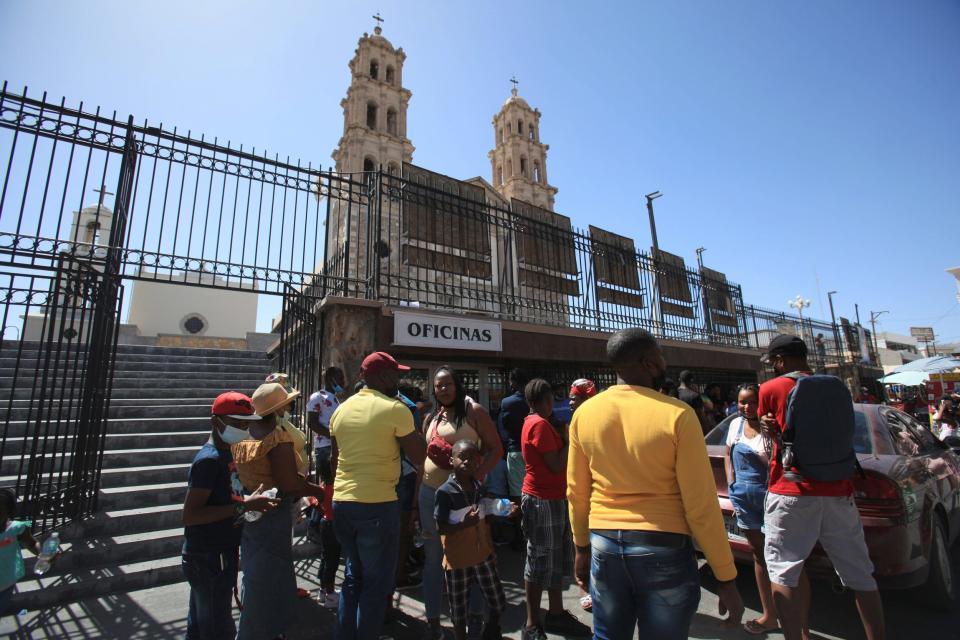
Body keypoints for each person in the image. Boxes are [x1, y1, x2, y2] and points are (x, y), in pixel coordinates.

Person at [567, 328, 743, 639]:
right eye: (660, 355)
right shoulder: (678, 415)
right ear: (648, 362)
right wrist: (725, 577)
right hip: (663, 547)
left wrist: (581, 547)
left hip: (604, 543)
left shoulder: (585, 414)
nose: (664, 361)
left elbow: (577, 492)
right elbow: (700, 504)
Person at [758, 334, 885, 640]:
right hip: (838, 490)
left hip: (791, 491)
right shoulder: (835, 387)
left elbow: (772, 442)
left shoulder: (771, 388)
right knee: (860, 575)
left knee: (784, 572)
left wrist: (769, 428)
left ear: (779, 361)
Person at [329, 351, 426, 640]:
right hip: (377, 505)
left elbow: (335, 462)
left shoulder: (340, 409)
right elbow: (420, 455)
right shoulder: (395, 408)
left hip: (343, 504)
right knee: (375, 584)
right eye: (396, 374)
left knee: (352, 578)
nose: (398, 379)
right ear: (383, 377)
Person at [232, 383, 326, 640]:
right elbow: (289, 483)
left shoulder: (244, 436)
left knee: (259, 572)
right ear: (278, 407)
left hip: (253, 507)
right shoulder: (276, 438)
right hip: (273, 511)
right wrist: (318, 491)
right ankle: (261, 631)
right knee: (267, 575)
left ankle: (269, 627)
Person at [181, 391, 278, 640]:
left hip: (220, 551)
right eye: (237, 423)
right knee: (216, 626)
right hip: (208, 556)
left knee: (203, 622)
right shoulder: (209, 461)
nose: (244, 428)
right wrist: (243, 506)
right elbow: (191, 515)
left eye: (247, 423)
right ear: (216, 422)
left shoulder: (227, 453)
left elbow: (223, 498)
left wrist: (245, 500)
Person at [420, 366, 504, 640]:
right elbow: (424, 462)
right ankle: (433, 620)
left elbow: (495, 448)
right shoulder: (431, 418)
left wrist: (477, 477)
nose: (443, 389)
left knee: (473, 557)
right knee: (433, 559)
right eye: (438, 385)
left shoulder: (474, 412)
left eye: (447, 384)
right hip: (431, 494)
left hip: (466, 498)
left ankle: (475, 619)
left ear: (457, 385)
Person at [521, 378, 590, 640]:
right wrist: (570, 438)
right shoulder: (538, 424)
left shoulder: (540, 423)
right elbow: (555, 464)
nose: (552, 404)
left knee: (556, 562)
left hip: (553, 499)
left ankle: (557, 613)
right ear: (537, 402)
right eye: (548, 400)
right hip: (542, 501)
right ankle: (531, 624)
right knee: (539, 561)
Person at [435, 440, 513, 640]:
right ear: (452, 460)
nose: (467, 461)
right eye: (462, 456)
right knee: (459, 609)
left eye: (472, 457)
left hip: (482, 554)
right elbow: (440, 527)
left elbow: (484, 514)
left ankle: (491, 630)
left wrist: (503, 510)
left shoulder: (478, 486)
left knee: (497, 599)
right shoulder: (445, 492)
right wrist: (465, 524)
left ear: (478, 462)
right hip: (457, 559)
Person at [723, 384, 779, 635]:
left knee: (778, 556)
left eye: (752, 401)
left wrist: (775, 434)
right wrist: (731, 482)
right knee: (759, 554)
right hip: (744, 500)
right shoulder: (735, 425)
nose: (746, 407)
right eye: (742, 402)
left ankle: (790, 615)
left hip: (772, 498)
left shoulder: (772, 426)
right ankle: (770, 614)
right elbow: (727, 453)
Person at [567, 379, 598, 614]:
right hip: (579, 496)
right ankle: (588, 590)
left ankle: (591, 590)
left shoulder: (595, 422)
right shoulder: (574, 422)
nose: (570, 401)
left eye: (575, 397)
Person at [0, 489, 42, 616]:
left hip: (6, 583)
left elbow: (32, 543)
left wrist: (41, 553)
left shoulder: (17, 528)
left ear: (9, 511)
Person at [308, 366, 346, 484]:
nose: (343, 382)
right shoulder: (318, 397)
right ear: (331, 379)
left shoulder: (335, 399)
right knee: (329, 482)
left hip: (335, 446)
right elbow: (312, 423)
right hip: (325, 448)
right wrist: (332, 435)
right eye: (340, 378)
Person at [317, 476, 342, 609]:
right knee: (332, 561)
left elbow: (317, 504)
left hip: (325, 522)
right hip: (333, 524)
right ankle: (330, 595)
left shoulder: (322, 486)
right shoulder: (337, 485)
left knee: (325, 557)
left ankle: (323, 591)